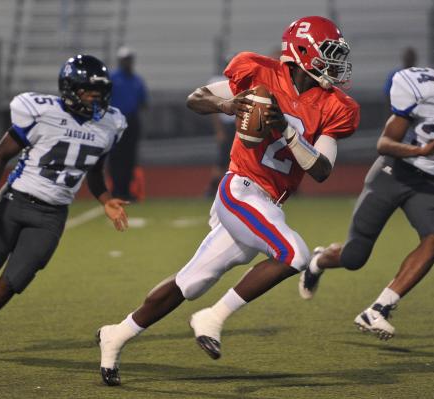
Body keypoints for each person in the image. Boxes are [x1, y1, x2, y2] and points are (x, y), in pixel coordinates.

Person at [96, 16, 360, 386]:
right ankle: (213, 318)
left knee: (190, 282)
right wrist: (228, 105)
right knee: (295, 254)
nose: (335, 64)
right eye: (328, 54)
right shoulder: (260, 74)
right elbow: (196, 98)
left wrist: (283, 128)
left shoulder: (334, 105)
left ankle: (117, 334)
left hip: (269, 202)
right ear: (302, 52)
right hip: (239, 189)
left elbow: (321, 170)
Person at [298, 33, 434, 340]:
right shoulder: (420, 87)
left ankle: (380, 308)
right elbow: (384, 143)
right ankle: (319, 260)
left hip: (428, 182)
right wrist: (418, 151)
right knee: (353, 258)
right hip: (394, 172)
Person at [0, 55, 130, 358]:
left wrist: (106, 200)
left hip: (52, 215)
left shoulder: (110, 124)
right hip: (15, 200)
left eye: (100, 93)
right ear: (70, 89)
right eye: (90, 92)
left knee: (15, 280)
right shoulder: (41, 111)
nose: (97, 99)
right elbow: (0, 155)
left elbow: (94, 170)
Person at [107, 46, 148, 201]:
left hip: (132, 120)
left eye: (129, 59)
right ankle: (116, 190)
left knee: (129, 158)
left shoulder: (136, 80)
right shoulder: (113, 78)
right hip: (115, 121)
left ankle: (125, 191)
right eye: (125, 60)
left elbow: (143, 101)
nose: (127, 62)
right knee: (116, 157)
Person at [204, 72, 236, 197]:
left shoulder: (242, 82)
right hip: (227, 125)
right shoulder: (220, 83)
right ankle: (212, 188)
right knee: (223, 161)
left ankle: (230, 189)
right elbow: (214, 109)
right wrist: (219, 130)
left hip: (239, 124)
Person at [383, 47, 417, 111]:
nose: (408, 60)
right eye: (407, 58)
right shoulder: (395, 75)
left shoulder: (419, 76)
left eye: (410, 58)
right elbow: (388, 94)